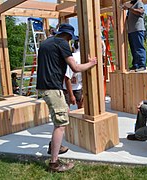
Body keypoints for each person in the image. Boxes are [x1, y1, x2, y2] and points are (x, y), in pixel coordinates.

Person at [36, 23, 97, 172]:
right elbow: (75, 68)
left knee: (61, 116)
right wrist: (91, 63)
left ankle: (54, 147)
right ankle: (54, 164)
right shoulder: (62, 43)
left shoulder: (45, 43)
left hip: (44, 86)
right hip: (52, 88)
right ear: (68, 36)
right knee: (61, 124)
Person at [122, 0, 146, 72]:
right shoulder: (132, 5)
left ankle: (142, 65)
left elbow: (140, 11)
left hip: (137, 29)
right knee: (133, 49)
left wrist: (129, 9)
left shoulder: (139, 2)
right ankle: (136, 65)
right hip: (131, 30)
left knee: (139, 48)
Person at [63, 38, 84, 109]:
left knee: (67, 108)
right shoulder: (75, 57)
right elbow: (67, 77)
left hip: (75, 87)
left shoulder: (75, 56)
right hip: (70, 88)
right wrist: (71, 95)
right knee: (80, 107)